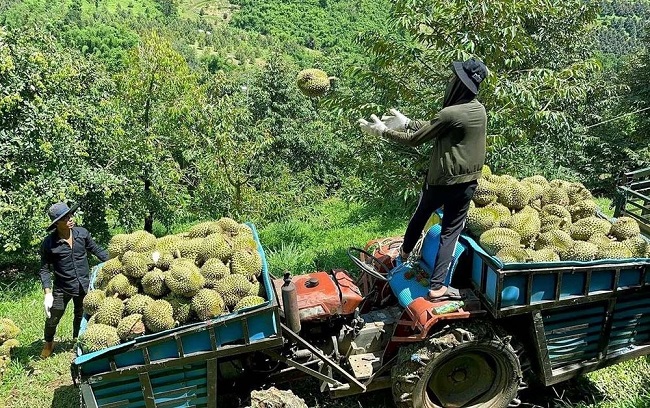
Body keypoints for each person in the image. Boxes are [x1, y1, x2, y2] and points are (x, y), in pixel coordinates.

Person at [358, 58, 488, 301]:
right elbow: (434, 126)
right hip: (468, 182)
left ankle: (404, 255)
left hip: (441, 182)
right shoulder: (478, 110)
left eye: (454, 78)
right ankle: (438, 286)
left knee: (420, 215)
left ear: (459, 85)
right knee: (451, 232)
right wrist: (407, 122)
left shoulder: (450, 113)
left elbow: (415, 139)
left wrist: (384, 132)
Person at [38, 202, 109, 358]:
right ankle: (49, 342)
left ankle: (77, 340)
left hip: (83, 285)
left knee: (80, 315)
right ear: (56, 223)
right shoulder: (49, 243)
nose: (70, 219)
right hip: (62, 288)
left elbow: (97, 250)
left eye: (70, 215)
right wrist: (47, 293)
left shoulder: (82, 234)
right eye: (65, 218)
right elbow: (44, 269)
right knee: (53, 317)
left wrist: (114, 261)